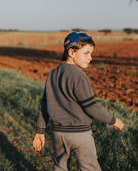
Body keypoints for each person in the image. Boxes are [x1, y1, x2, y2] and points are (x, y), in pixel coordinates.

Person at [33, 31, 124, 171]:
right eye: (86, 53)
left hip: (59, 134)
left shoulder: (52, 74)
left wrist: (40, 131)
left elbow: (44, 105)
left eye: (91, 53)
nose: (90, 58)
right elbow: (91, 107)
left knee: (60, 167)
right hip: (80, 135)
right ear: (71, 52)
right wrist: (113, 120)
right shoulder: (79, 76)